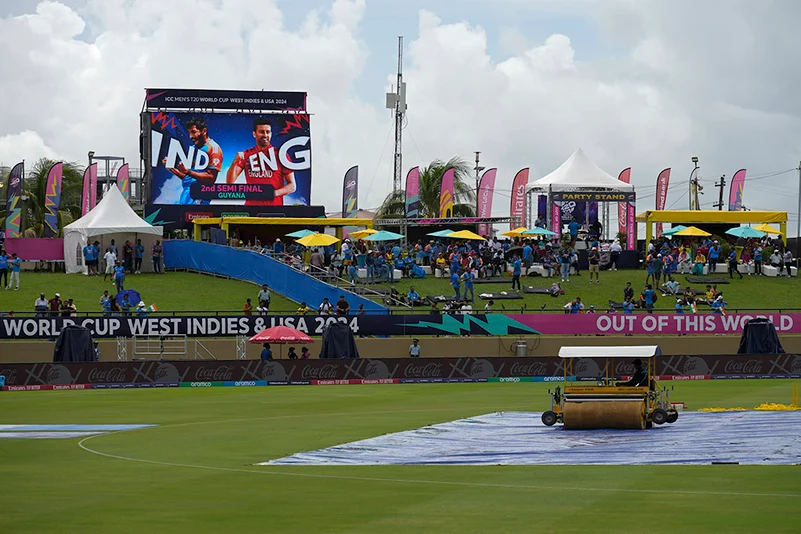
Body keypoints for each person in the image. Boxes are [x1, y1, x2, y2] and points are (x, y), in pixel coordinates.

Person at [226, 118, 296, 206]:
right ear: (254, 134)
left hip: (275, 210)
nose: (265, 135)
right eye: (261, 132)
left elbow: (292, 186)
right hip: (251, 209)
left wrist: (272, 194)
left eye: (268, 132)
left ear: (271, 134)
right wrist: (234, 163)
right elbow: (229, 183)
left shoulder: (281, 155)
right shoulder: (246, 155)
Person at [164, 116, 223, 204]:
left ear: (204, 131)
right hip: (186, 194)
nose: (191, 136)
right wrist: (171, 168)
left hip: (199, 196)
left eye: (194, 132)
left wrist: (188, 172)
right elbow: (188, 179)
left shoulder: (213, 149)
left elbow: (211, 178)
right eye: (189, 133)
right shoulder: (194, 148)